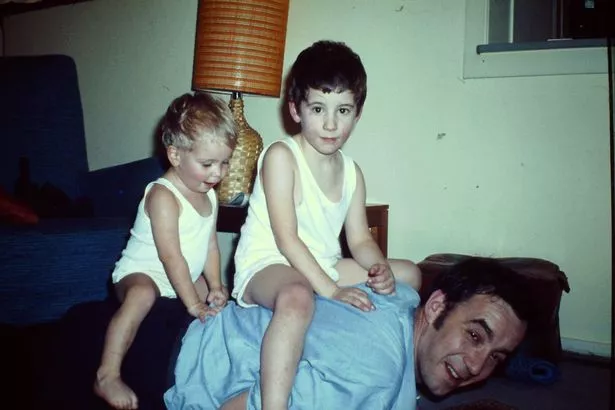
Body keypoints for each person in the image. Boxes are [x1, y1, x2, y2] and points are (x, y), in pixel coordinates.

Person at [229, 40, 422, 410]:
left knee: (409, 274)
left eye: (343, 110)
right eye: (318, 108)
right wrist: (331, 291)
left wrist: (378, 267)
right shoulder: (281, 156)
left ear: (357, 113)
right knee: (297, 296)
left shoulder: (352, 173)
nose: (331, 124)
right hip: (269, 264)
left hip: (323, 263)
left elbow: (359, 239)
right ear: (295, 109)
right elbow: (286, 239)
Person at [164, 256, 533, 409]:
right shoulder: (374, 375)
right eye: (474, 336)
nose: (476, 366)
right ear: (436, 307)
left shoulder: (403, 294)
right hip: (174, 356)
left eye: (496, 357)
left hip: (198, 313)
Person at [93, 92, 237, 410]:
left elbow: (210, 245)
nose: (218, 174)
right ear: (175, 155)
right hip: (143, 273)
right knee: (142, 295)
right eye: (207, 164)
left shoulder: (209, 195)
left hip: (184, 273)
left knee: (219, 306)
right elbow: (171, 257)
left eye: (225, 162)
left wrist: (215, 285)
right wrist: (193, 304)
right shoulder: (163, 196)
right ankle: (107, 374)